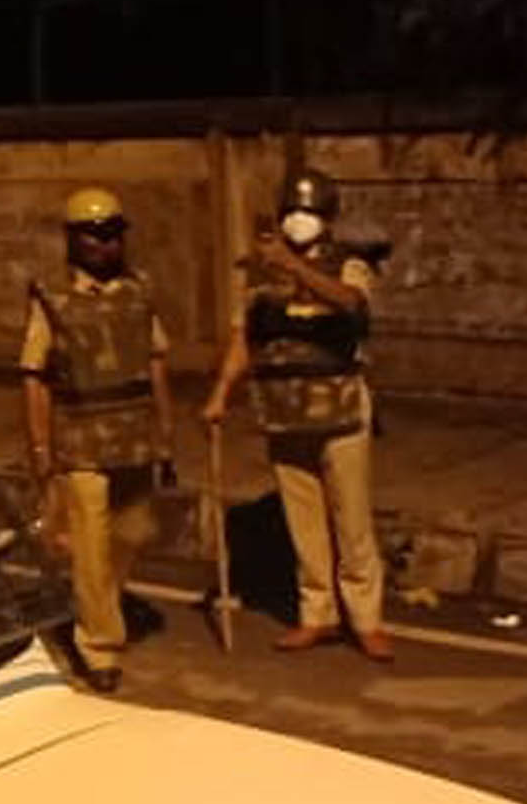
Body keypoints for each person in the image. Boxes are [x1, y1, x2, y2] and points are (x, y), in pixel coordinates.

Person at [203, 169, 391, 661]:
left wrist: (294, 266)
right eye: (291, 211)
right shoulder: (259, 275)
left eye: (308, 211)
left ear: (327, 217)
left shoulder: (347, 264)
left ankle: (366, 619)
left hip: (339, 405)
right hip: (285, 409)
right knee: (303, 520)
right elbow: (244, 338)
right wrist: (221, 393)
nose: (297, 220)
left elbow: (352, 305)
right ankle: (317, 614)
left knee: (352, 519)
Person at [20, 187, 179, 693]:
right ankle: (99, 644)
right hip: (80, 438)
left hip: (134, 436)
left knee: (133, 532)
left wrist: (167, 432)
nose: (105, 242)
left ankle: (100, 604)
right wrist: (40, 448)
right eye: (94, 233)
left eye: (112, 232)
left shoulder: (140, 290)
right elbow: (34, 376)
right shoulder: (51, 297)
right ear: (73, 239)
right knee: (89, 545)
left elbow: (156, 363)